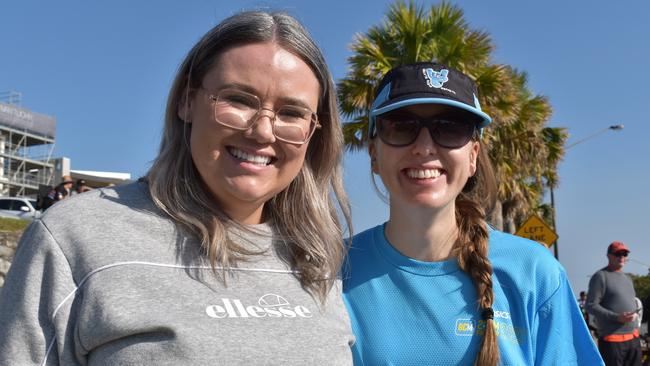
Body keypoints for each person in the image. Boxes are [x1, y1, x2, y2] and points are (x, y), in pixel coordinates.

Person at [0, 11, 354, 365]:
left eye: (291, 113)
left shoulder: (317, 256)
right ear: (188, 100)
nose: (263, 131)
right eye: (240, 100)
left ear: (314, 131)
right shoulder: (74, 237)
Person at [342, 62, 602, 365]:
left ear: (473, 157)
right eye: (401, 126)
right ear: (374, 154)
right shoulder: (332, 271)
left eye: (450, 128)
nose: (424, 147)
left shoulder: (534, 272)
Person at [587, 241, 643, 366]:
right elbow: (591, 305)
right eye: (618, 254)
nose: (622, 257)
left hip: (633, 338)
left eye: (624, 254)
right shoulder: (601, 276)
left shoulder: (627, 278)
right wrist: (617, 317)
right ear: (609, 255)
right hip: (612, 340)